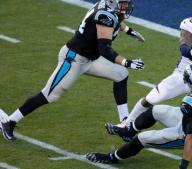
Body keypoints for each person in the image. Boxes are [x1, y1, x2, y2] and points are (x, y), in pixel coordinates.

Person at [106, 0, 192, 160]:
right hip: (183, 75)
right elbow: (183, 46)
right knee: (151, 99)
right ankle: (127, 126)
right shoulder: (190, 25)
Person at [0, 0, 145, 141]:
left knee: (121, 75)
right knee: (49, 95)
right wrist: (127, 62)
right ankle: (10, 121)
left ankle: (124, 123)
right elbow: (105, 49)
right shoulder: (104, 16)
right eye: (124, 3)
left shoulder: (107, 9)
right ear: (113, 2)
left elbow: (116, 21)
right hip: (74, 59)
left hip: (91, 59)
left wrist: (129, 31)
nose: (127, 6)